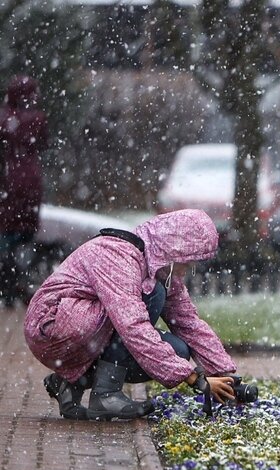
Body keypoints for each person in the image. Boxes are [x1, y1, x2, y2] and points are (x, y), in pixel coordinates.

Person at [24, 209, 238, 420]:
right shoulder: (119, 255)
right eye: (188, 262)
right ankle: (106, 394)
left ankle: (70, 384)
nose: (187, 269)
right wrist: (194, 378)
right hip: (50, 326)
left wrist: (225, 374)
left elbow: (188, 323)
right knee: (152, 295)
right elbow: (132, 325)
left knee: (178, 350)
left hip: (82, 328)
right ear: (174, 250)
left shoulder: (157, 268)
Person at [0, 75, 48, 307]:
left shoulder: (5, 118)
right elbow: (43, 143)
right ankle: (19, 279)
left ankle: (9, 283)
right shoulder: (37, 118)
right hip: (32, 181)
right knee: (24, 234)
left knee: (7, 234)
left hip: (9, 180)